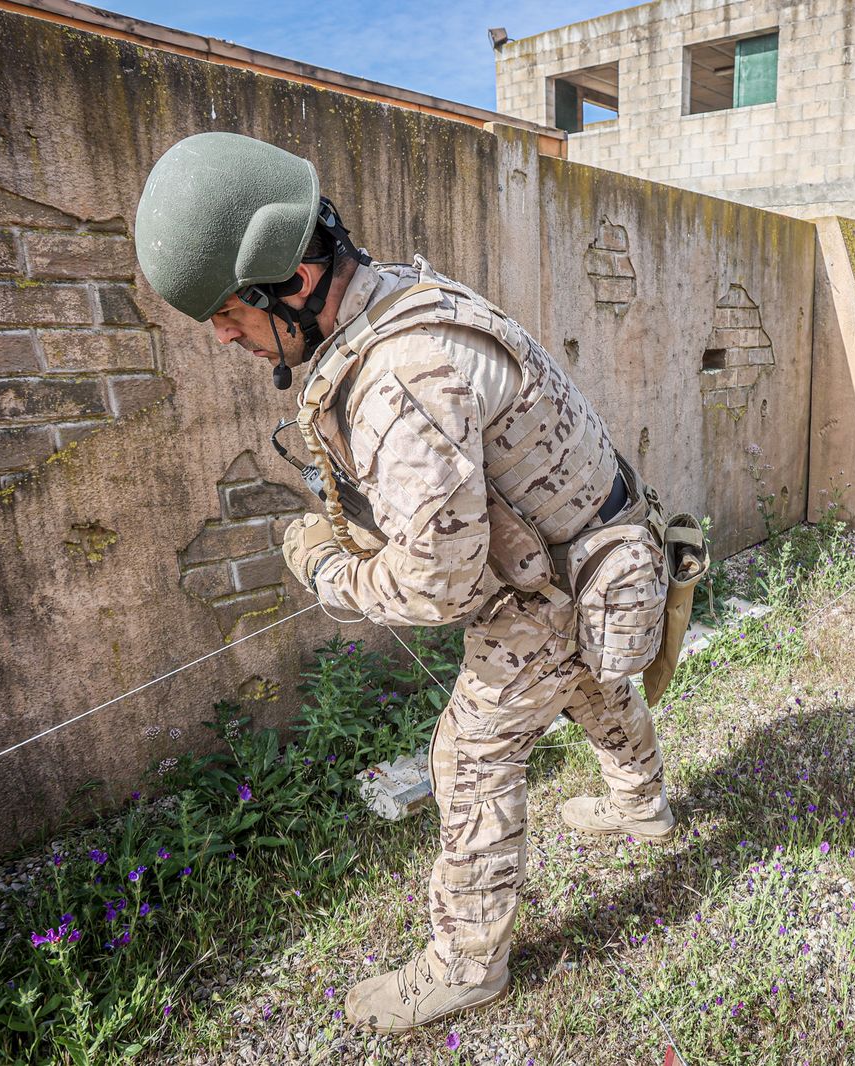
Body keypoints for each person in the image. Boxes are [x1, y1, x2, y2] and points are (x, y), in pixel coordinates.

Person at [134, 132, 682, 1032]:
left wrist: (328, 569)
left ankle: (465, 966)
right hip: (594, 550)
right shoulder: (399, 295)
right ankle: (644, 804)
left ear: (293, 281)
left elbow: (437, 584)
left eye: (229, 313)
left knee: (471, 758)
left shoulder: (401, 376)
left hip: (555, 582)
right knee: (590, 681)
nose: (224, 336)